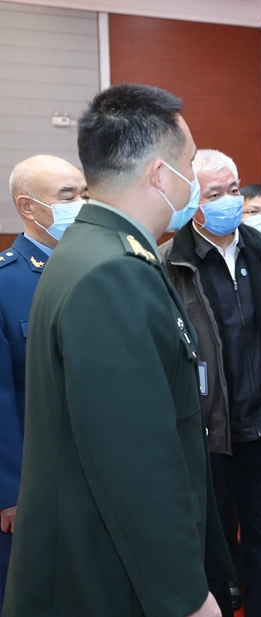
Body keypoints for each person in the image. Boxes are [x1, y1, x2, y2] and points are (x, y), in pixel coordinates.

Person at [4, 84, 231, 617]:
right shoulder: (112, 272)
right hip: (108, 573)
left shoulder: (95, 248)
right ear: (159, 174)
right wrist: (184, 595)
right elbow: (134, 460)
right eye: (190, 163)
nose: (193, 179)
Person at [160, 149, 261, 617]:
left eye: (233, 190)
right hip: (207, 433)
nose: (229, 200)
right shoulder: (168, 261)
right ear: (192, 201)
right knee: (211, 545)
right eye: (214, 193)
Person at [0, 155, 88, 614]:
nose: (82, 204)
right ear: (28, 207)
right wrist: (10, 492)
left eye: (85, 194)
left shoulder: (96, 268)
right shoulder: (6, 283)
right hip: (37, 482)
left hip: (94, 471)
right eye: (67, 196)